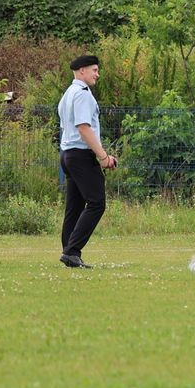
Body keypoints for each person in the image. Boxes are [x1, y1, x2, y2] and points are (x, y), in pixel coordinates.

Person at [57, 54, 115, 268]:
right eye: (95, 70)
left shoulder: (68, 93)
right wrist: (103, 156)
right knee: (97, 202)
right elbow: (83, 127)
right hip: (80, 155)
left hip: (68, 154)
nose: (97, 74)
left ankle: (68, 251)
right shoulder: (82, 94)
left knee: (74, 206)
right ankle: (72, 251)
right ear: (82, 70)